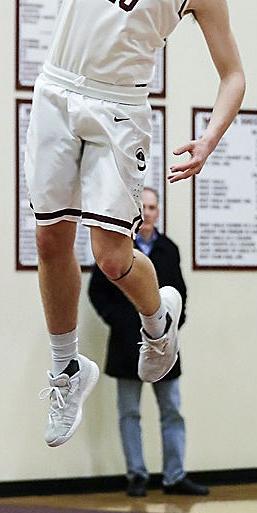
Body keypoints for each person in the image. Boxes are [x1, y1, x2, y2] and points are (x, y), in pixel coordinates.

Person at [26, 0, 246, 449]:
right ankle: (65, 372)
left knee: (115, 259)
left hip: (120, 111)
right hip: (56, 87)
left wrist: (209, 139)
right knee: (51, 242)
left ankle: (160, 323)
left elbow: (233, 74)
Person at [89, 186, 209, 497]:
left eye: (153, 207)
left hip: (164, 343)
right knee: (129, 412)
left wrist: (171, 327)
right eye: (143, 207)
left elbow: (179, 292)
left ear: (158, 212)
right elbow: (96, 291)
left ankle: (175, 475)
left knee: (172, 409)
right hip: (126, 345)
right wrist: (118, 319)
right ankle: (137, 475)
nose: (148, 213)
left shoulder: (169, 249)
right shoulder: (115, 246)